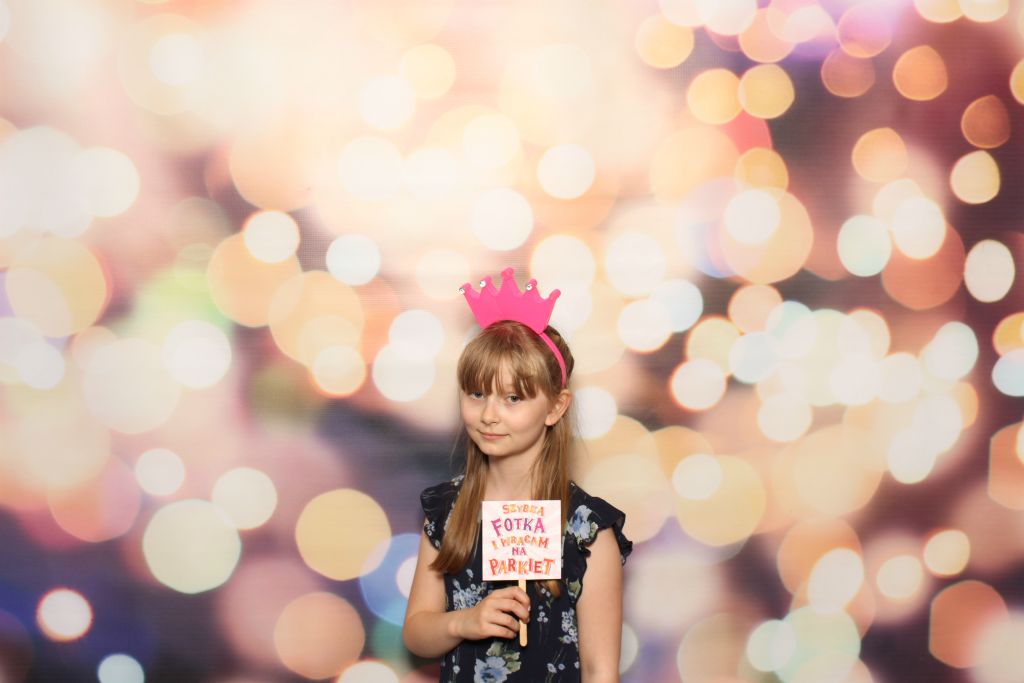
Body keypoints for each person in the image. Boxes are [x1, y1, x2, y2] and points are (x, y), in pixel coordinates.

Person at [403, 268, 632, 683]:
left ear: (555, 407)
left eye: (513, 398)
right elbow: (417, 634)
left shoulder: (587, 530)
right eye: (477, 393)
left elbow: (601, 670)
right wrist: (464, 621)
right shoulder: (447, 512)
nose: (489, 414)